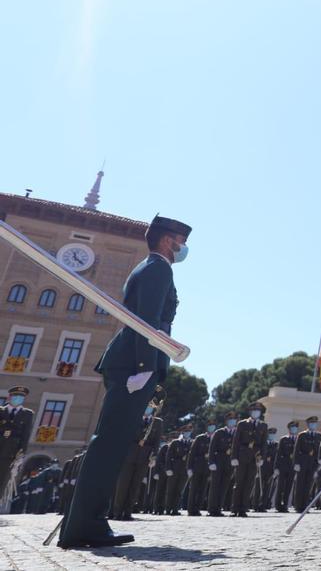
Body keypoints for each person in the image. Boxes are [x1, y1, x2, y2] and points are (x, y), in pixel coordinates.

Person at [58, 215, 189, 549]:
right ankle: (85, 526)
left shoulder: (148, 266)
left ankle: (86, 522)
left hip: (129, 361)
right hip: (133, 363)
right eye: (179, 240)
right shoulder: (159, 268)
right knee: (110, 445)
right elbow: (146, 320)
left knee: (110, 444)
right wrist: (144, 367)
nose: (182, 247)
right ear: (165, 241)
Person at [112, 397, 163, 520]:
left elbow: (157, 441)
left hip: (144, 457)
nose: (149, 408)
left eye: (152, 407)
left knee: (135, 485)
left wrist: (154, 457)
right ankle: (117, 512)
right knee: (123, 484)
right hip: (129, 455)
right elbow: (124, 436)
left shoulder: (157, 422)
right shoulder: (133, 417)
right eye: (147, 405)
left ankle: (128, 512)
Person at [229, 402, 268, 517]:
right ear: (250, 412)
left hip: (254, 457)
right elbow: (236, 441)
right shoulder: (242, 424)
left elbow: (264, 444)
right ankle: (234, 508)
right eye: (254, 410)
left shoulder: (263, 426)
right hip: (242, 455)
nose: (256, 412)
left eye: (258, 410)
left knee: (249, 483)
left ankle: (243, 508)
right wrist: (234, 457)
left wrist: (262, 458)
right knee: (239, 482)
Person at [0, 385, 35, 499]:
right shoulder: (1, 411)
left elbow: (26, 435)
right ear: (9, 397)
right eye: (16, 396)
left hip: (11, 453)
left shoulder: (28, 414)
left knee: (3, 479)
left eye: (21, 397)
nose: (18, 398)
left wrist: (21, 454)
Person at [207, 412, 237, 517]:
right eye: (230, 419)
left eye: (234, 419)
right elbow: (212, 448)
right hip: (218, 461)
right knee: (215, 486)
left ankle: (218, 508)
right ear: (226, 421)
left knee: (224, 487)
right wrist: (211, 462)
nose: (232, 421)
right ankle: (211, 509)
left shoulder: (237, 433)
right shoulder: (219, 432)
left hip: (229, 463)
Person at [292, 416, 321, 511]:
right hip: (302, 462)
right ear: (308, 424)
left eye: (315, 423)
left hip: (313, 463)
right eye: (311, 423)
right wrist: (296, 463)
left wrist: (318, 465)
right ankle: (298, 506)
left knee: (309, 485)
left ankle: (305, 506)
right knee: (300, 485)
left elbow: (319, 451)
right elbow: (296, 450)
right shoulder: (302, 435)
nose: (313, 424)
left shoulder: (318, 436)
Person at [186, 421, 215, 516]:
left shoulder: (215, 438)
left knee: (202, 490)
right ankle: (191, 509)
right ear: (206, 427)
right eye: (210, 425)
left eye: (213, 426)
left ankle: (197, 508)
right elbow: (192, 454)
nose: (211, 427)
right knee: (194, 489)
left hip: (207, 469)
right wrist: (189, 468)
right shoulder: (200, 438)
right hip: (197, 467)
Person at [273, 421, 298, 512]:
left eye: (295, 427)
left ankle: (285, 505)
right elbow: (278, 454)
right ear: (289, 429)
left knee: (288, 487)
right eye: (292, 427)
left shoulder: (299, 439)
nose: (294, 429)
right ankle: (278, 505)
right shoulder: (283, 439)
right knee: (280, 486)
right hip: (283, 466)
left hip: (293, 466)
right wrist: (276, 467)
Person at [256, 427, 277, 512]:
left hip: (271, 468)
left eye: (273, 434)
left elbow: (277, 457)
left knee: (268, 488)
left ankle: (264, 505)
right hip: (262, 467)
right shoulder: (262, 444)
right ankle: (255, 504)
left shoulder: (276, 445)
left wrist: (276, 469)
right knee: (258, 487)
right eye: (270, 433)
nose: (272, 435)